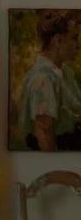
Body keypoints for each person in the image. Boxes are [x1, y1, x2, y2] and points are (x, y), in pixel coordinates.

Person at [17, 12, 81, 151]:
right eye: (74, 39)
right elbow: (44, 132)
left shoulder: (65, 73)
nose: (78, 45)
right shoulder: (43, 79)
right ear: (57, 41)